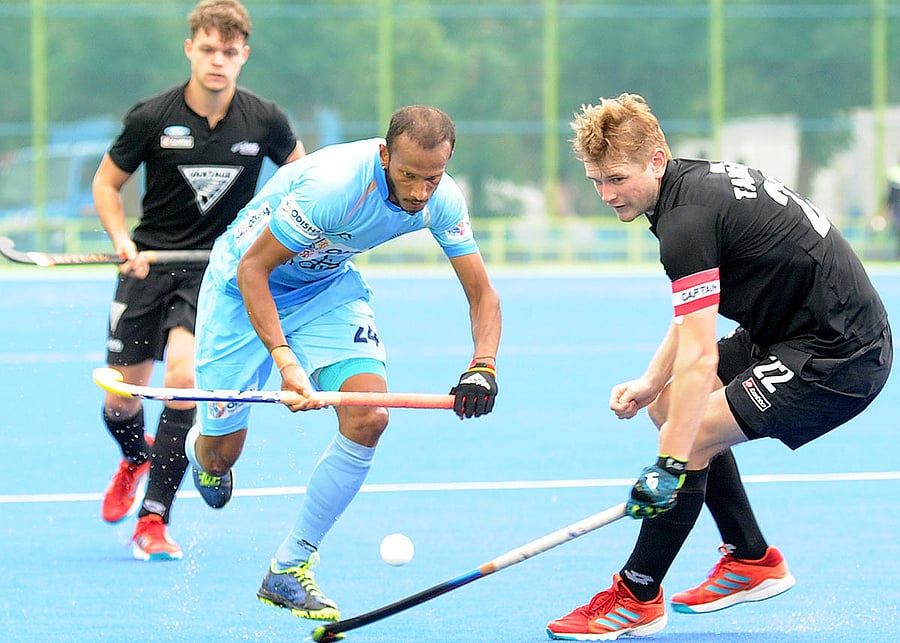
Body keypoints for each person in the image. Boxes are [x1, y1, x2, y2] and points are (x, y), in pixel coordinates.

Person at [546, 93, 892, 640]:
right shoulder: (687, 188)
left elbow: (703, 354)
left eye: (617, 178)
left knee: (693, 437)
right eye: (596, 181)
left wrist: (670, 463)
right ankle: (752, 560)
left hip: (839, 353)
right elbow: (692, 318)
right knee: (667, 406)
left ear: (656, 159)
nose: (607, 195)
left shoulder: (684, 222)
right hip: (786, 332)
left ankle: (637, 595)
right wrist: (650, 382)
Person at [183, 104, 501, 621]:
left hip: (326, 289)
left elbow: (482, 294)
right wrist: (287, 366)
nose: (420, 192)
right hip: (242, 289)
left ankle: (288, 568)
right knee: (222, 455)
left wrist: (482, 365)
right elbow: (254, 270)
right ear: (384, 154)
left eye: (432, 177)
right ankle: (206, 454)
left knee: (369, 414)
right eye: (408, 176)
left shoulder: (441, 199)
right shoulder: (335, 187)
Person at [92, 0, 305, 561]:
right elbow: (106, 186)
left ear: (244, 56)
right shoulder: (151, 117)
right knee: (121, 396)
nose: (218, 61)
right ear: (191, 49)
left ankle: (154, 518)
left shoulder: (265, 121)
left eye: (229, 53)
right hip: (150, 266)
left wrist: (278, 239)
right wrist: (121, 241)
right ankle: (135, 455)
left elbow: (302, 184)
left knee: (184, 380)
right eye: (208, 49)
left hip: (216, 272)